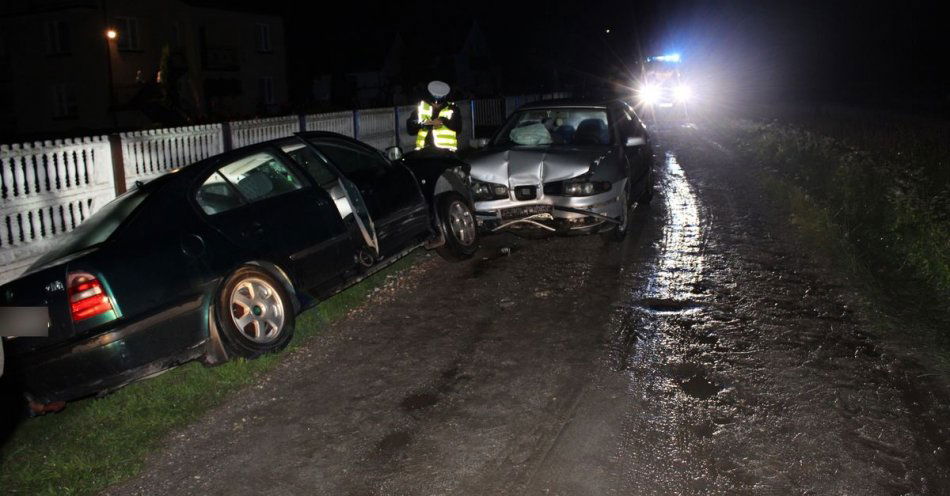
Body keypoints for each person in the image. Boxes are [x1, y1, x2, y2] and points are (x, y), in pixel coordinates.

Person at [406, 81, 461, 152]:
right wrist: (423, 124)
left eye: (439, 103)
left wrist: (443, 121)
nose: (436, 105)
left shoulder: (452, 108)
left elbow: (458, 129)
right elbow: (410, 129)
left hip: (447, 152)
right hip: (424, 151)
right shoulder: (421, 107)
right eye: (433, 103)